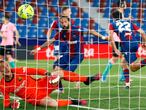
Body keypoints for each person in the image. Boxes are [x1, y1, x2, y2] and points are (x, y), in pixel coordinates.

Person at [0, 60, 100, 109]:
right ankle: (73, 101)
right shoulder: (3, 85)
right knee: (53, 103)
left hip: (42, 85)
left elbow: (35, 70)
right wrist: (11, 105)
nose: (7, 69)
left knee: (59, 73)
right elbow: (6, 102)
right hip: (35, 98)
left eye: (7, 66)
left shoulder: (18, 70)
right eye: (3, 68)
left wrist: (46, 73)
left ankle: (87, 79)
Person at [109, 10, 146, 88]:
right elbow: (142, 32)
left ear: (113, 18)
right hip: (135, 43)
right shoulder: (129, 23)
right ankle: (127, 83)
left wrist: (115, 49)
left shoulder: (112, 24)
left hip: (126, 45)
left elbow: (111, 38)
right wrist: (144, 43)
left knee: (133, 68)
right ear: (121, 16)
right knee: (123, 62)